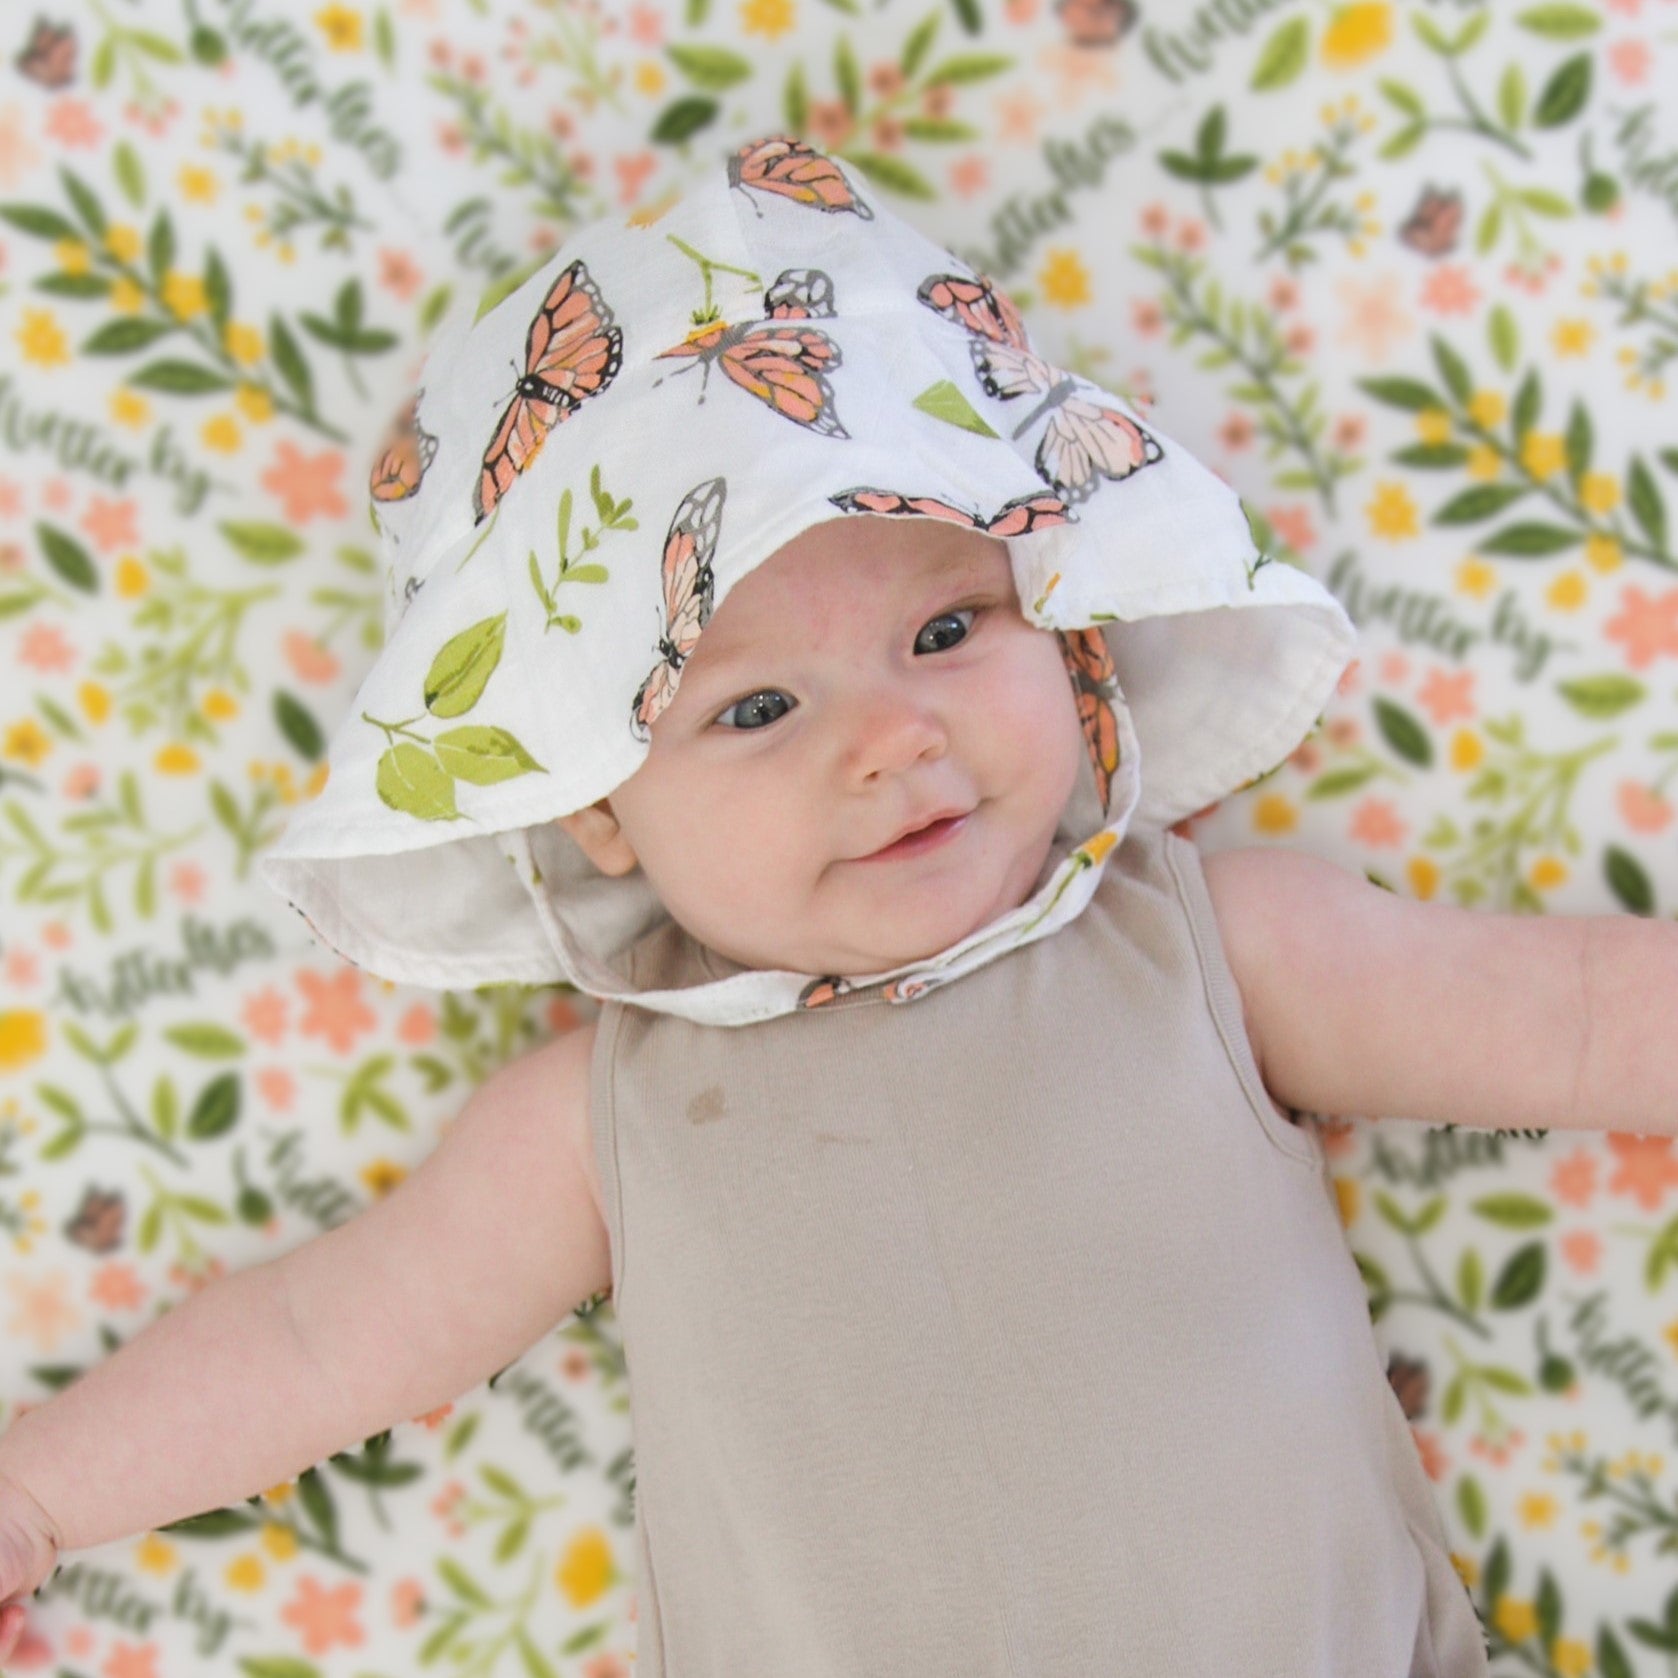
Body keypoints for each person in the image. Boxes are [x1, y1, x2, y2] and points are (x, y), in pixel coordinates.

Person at [0, 135, 1667, 1676]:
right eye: (754, 710)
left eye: (946, 632)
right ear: (594, 809)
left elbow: (1574, 1015)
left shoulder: (1204, 948)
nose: (894, 740)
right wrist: (41, 1496)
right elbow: (315, 1340)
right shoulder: (600, 1118)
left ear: (1061, 622)